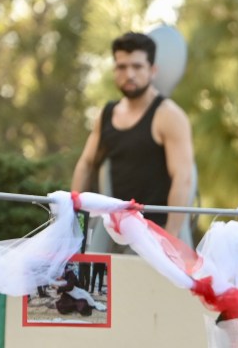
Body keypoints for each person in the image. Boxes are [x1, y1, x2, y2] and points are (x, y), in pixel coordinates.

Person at [71, 31, 195, 241]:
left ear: (152, 70)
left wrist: (170, 238)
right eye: (122, 67)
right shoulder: (107, 114)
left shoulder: (168, 115)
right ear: (114, 70)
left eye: (137, 67)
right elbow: (85, 164)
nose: (129, 74)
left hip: (155, 235)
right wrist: (73, 222)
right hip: (113, 231)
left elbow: (183, 179)